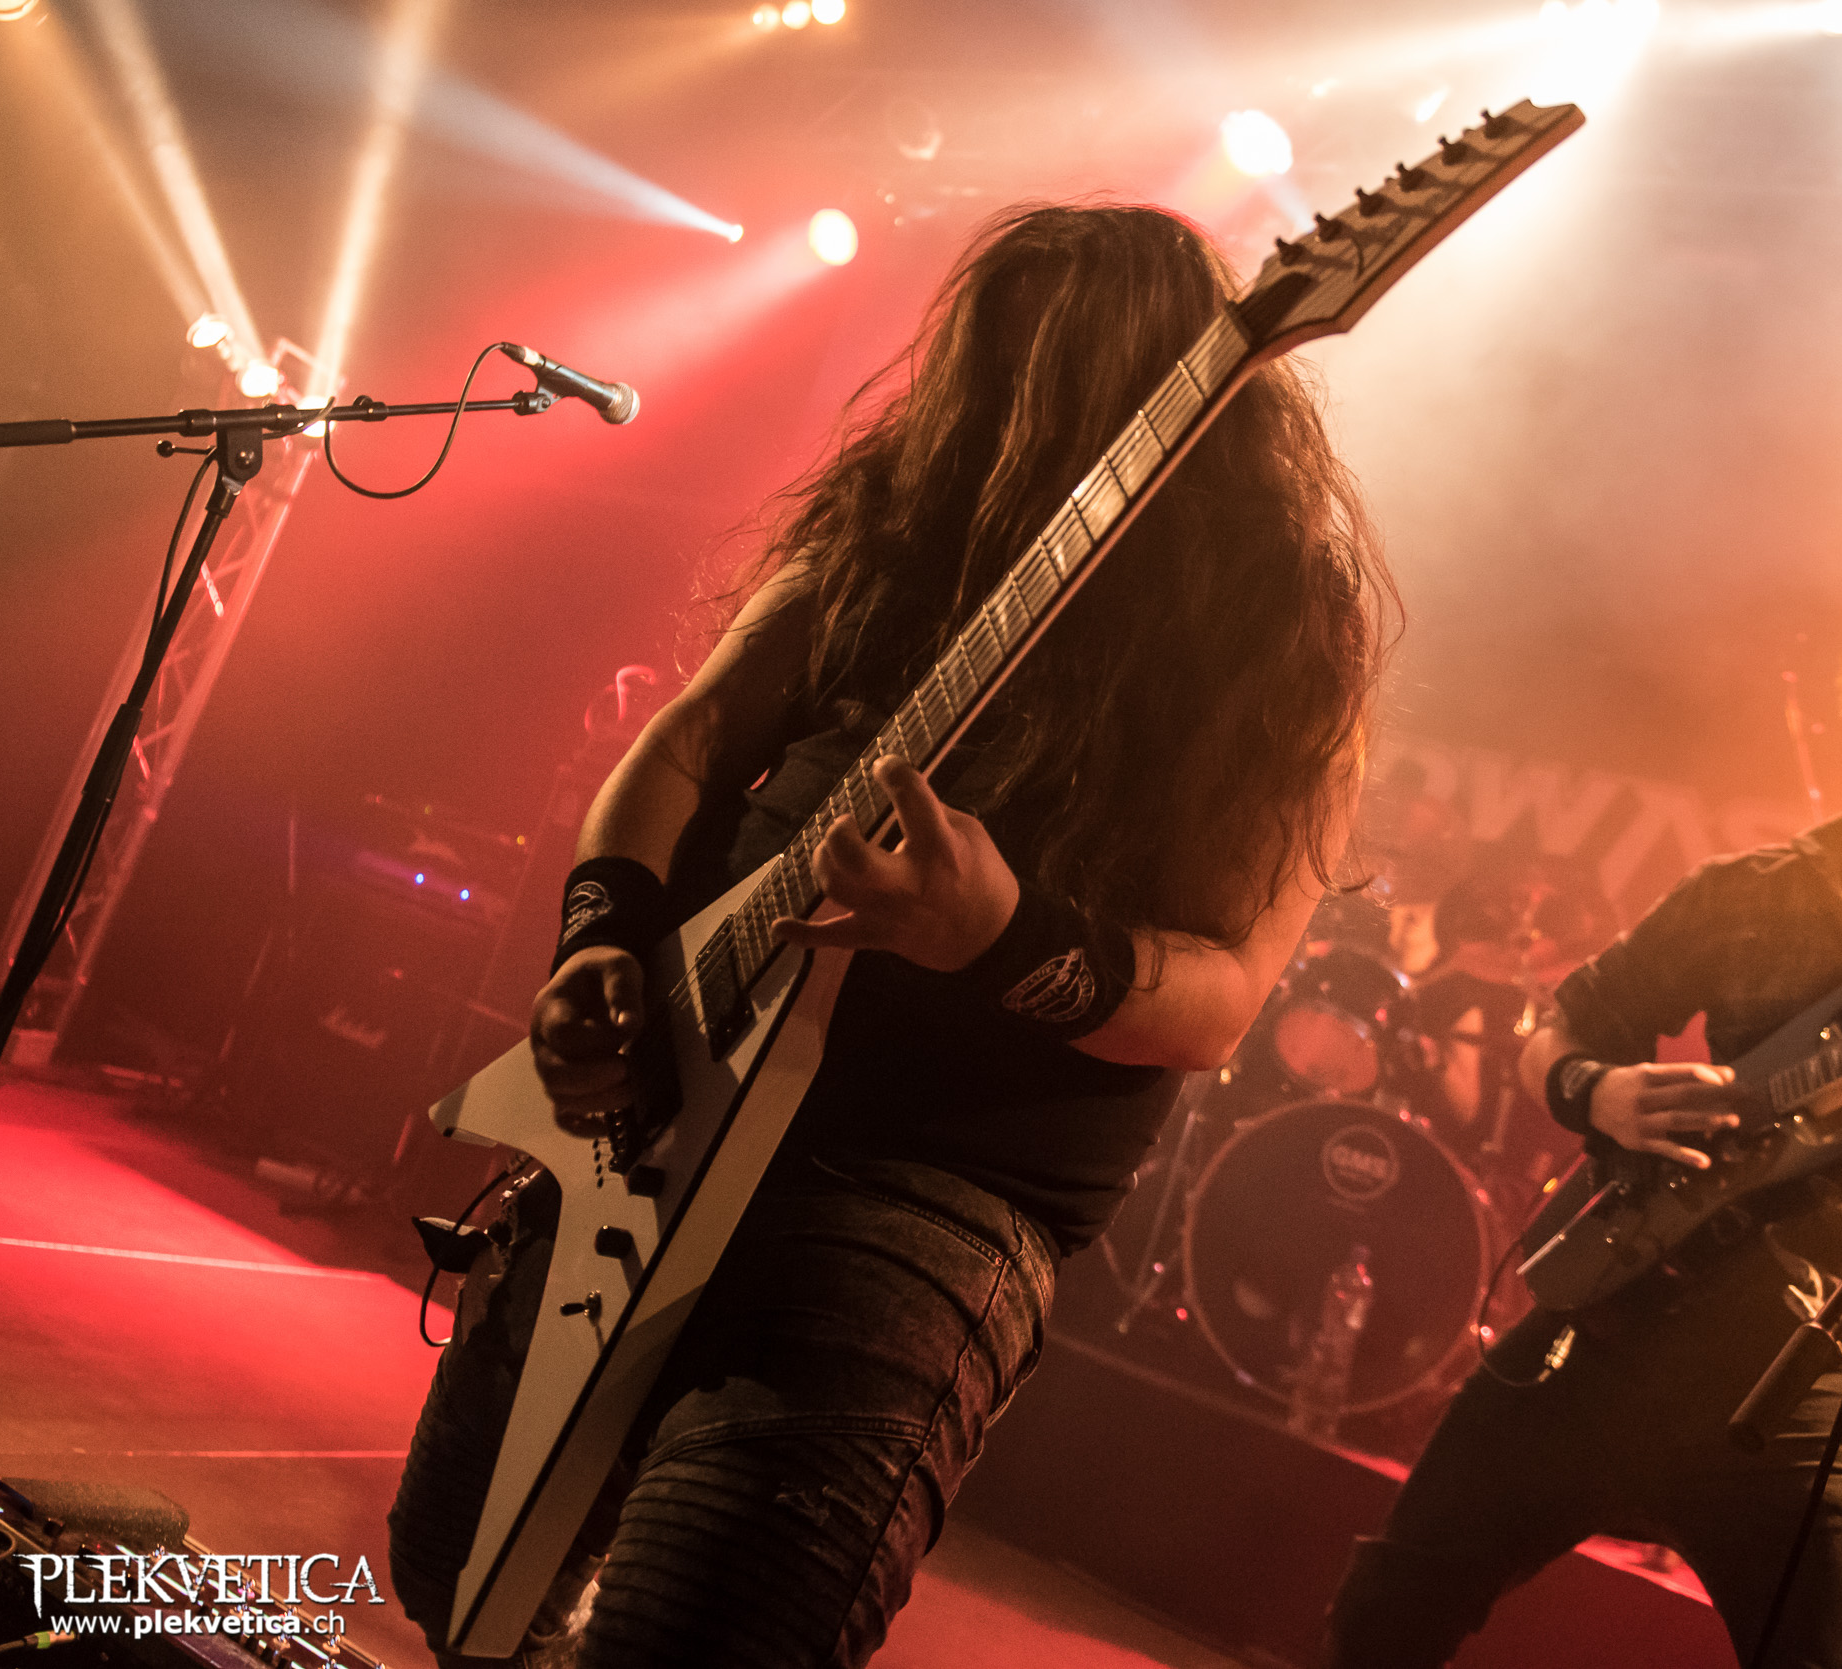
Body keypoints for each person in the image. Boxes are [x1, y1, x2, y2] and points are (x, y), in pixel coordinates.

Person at [387, 203, 1393, 1667]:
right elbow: (689, 741)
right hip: (659, 1109)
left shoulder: (1281, 629)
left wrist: (999, 934)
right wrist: (603, 937)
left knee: (705, 1644)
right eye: (995, 374)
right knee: (453, 1571)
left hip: (922, 1199)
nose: (1008, 417)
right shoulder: (901, 530)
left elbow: (1224, 996)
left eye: (1054, 377)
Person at [1323, 593, 1842, 1669]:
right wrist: (1594, 1090)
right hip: (1615, 1317)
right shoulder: (1745, 893)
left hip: (1828, 1374)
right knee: (1381, 1617)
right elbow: (1558, 1027)